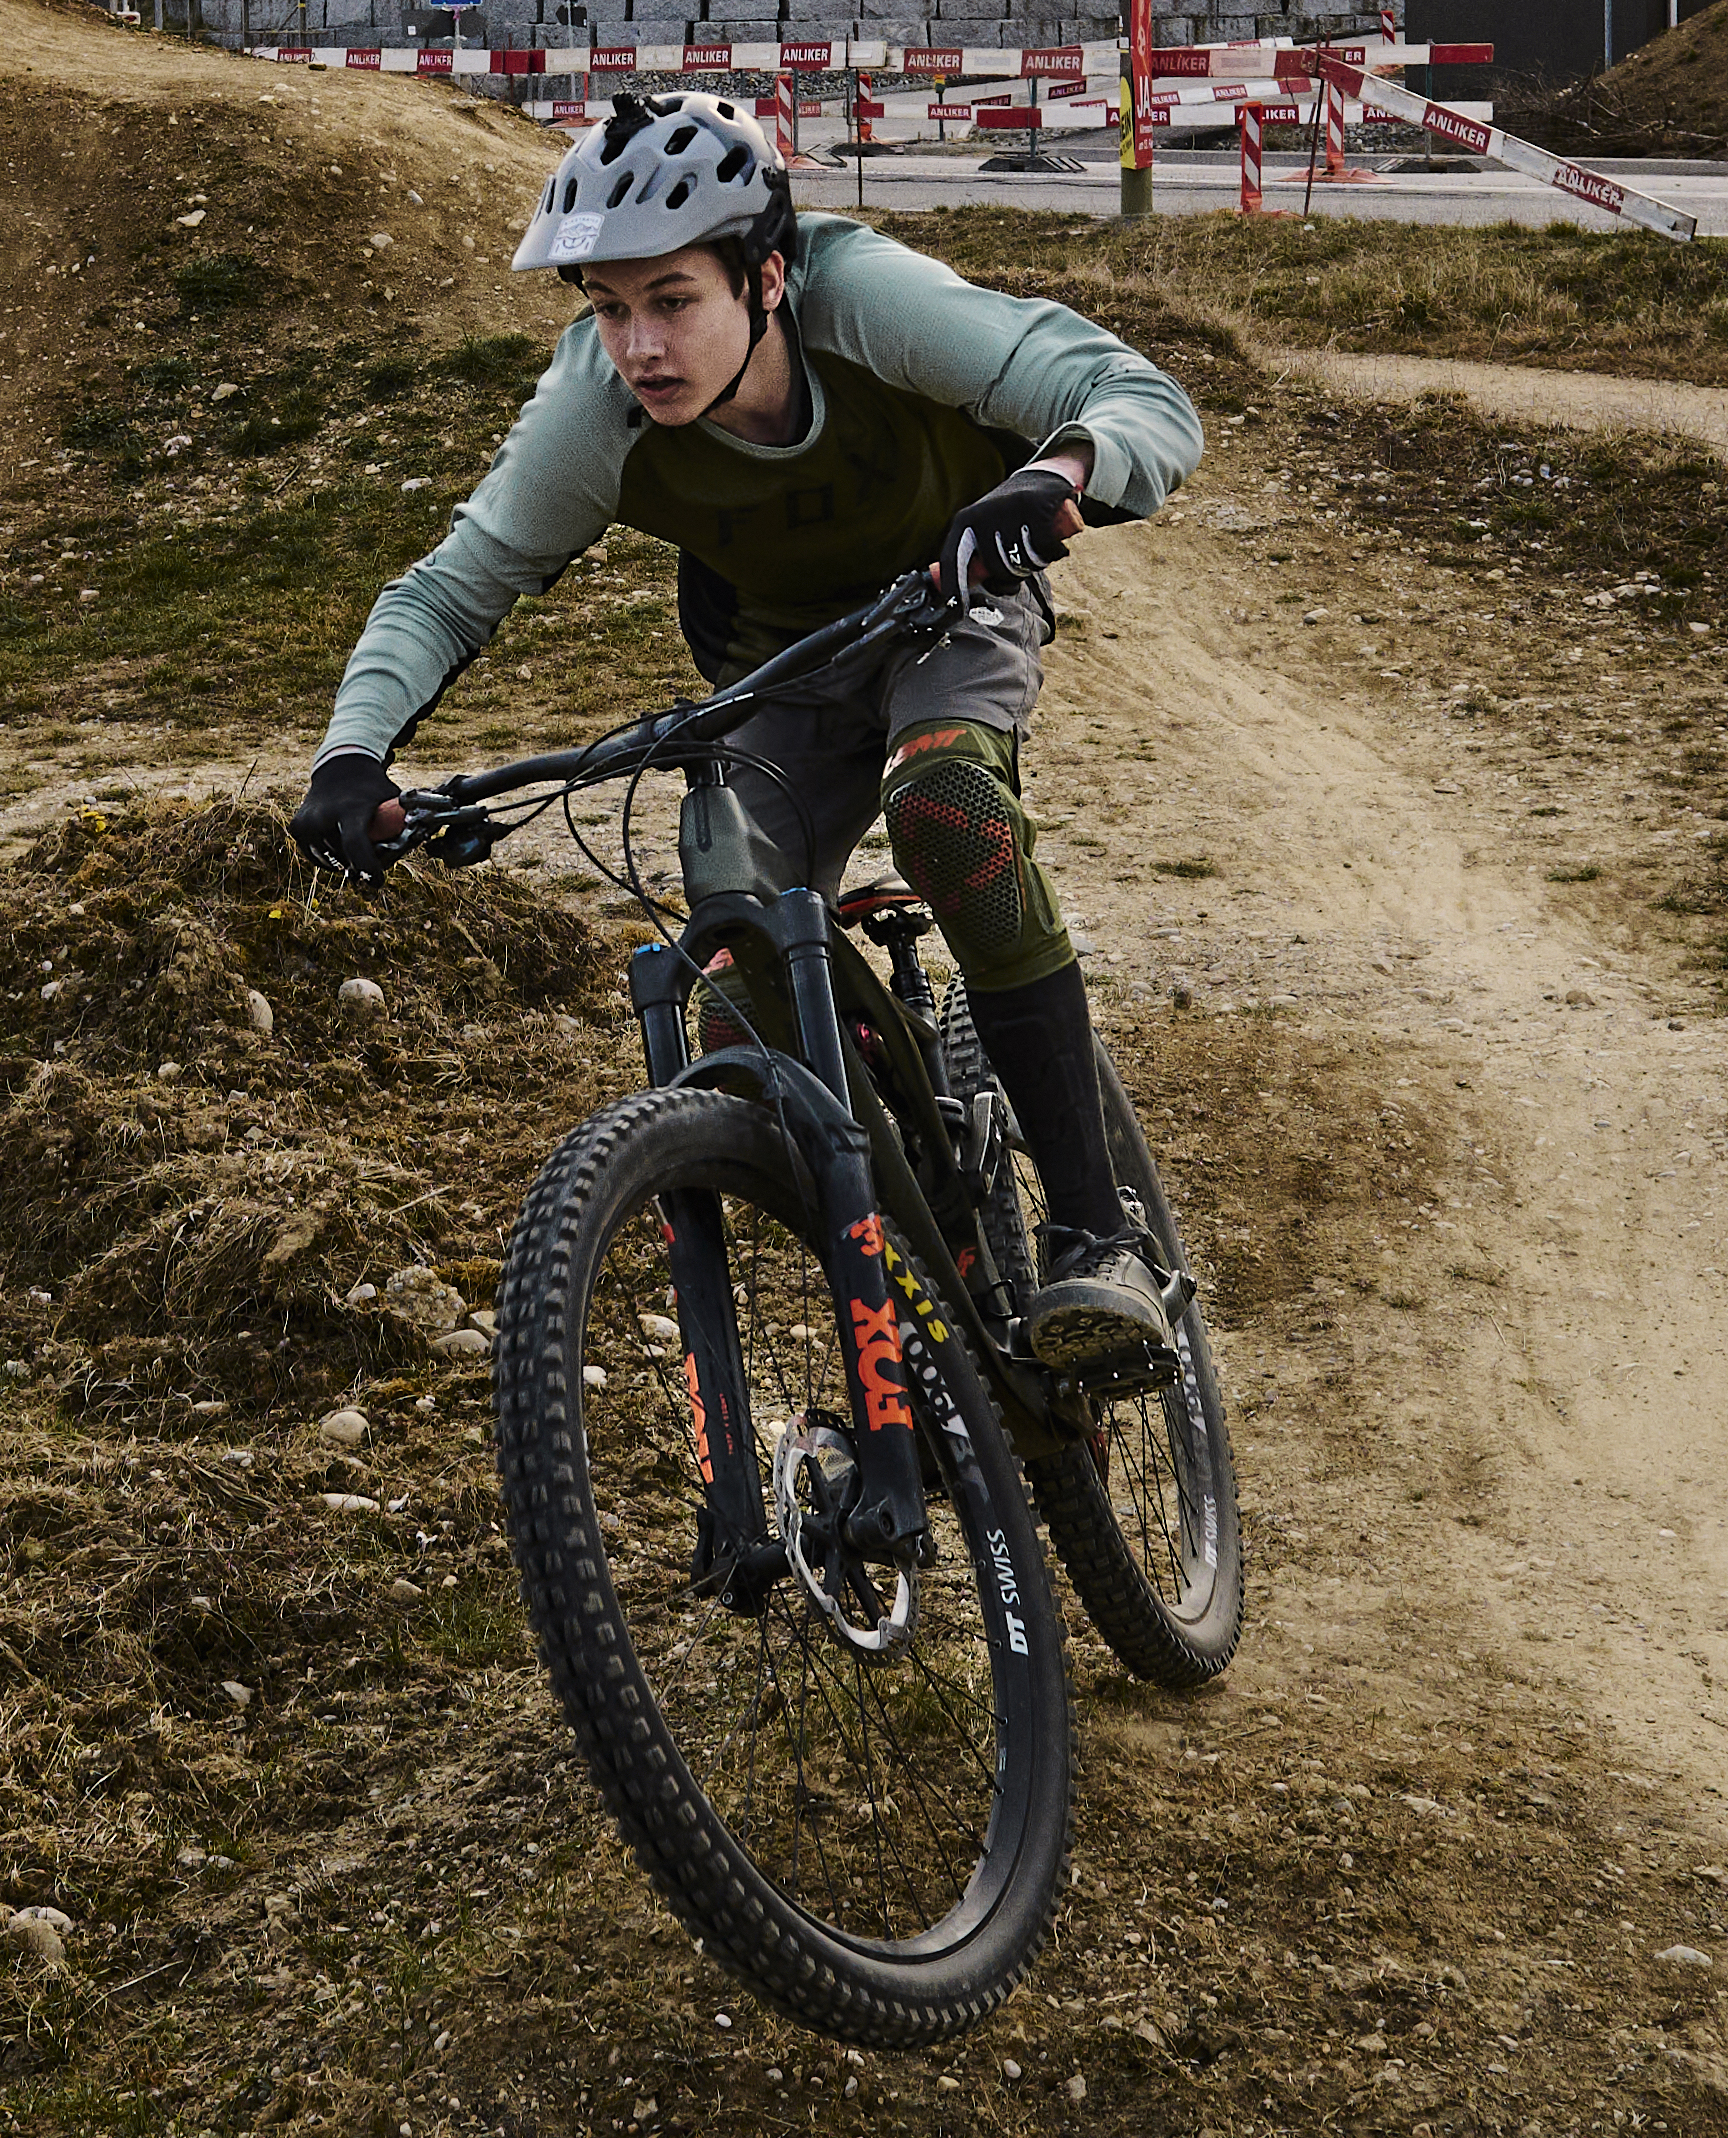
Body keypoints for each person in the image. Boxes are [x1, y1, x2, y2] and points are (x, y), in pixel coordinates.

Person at [297, 91, 1203, 1380]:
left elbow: (1134, 395)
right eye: (607, 308)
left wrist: (1054, 475)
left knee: (946, 807)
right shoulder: (595, 409)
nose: (637, 345)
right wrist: (350, 753)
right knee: (737, 962)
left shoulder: (867, 301)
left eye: (671, 300)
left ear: (765, 277)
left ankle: (1093, 1234)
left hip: (948, 600)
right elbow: (448, 589)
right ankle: (914, 1286)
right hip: (777, 664)